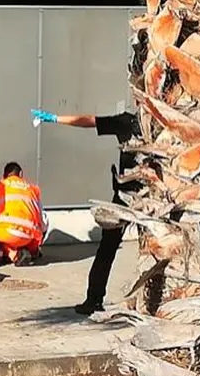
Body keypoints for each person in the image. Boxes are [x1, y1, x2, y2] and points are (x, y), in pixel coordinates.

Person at [32, 108, 140, 315]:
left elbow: (88, 121)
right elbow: (89, 121)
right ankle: (97, 299)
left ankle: (94, 300)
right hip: (148, 197)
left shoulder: (128, 121)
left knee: (107, 250)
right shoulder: (156, 125)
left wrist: (54, 118)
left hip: (130, 198)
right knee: (121, 250)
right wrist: (55, 118)